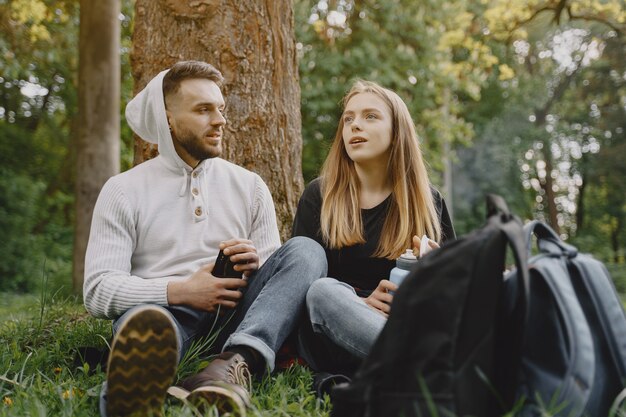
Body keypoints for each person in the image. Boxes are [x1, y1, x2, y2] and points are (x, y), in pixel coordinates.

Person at [83, 60, 327, 417]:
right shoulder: (123, 190)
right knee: (146, 324)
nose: (220, 121)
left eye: (221, 110)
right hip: (162, 316)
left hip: (237, 318)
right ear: (167, 118)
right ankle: (133, 392)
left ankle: (234, 362)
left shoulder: (250, 186)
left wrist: (256, 264)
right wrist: (182, 290)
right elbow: (97, 290)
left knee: (306, 251)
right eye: (203, 110)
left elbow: (280, 287)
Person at [293, 80, 455, 378]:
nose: (355, 125)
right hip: (331, 333)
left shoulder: (428, 202)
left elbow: (449, 298)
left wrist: (434, 273)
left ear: (397, 134)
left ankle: (416, 368)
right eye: (348, 119)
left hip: (402, 328)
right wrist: (361, 303)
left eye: (370, 116)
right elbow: (299, 284)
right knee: (323, 291)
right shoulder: (320, 196)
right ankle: (430, 372)